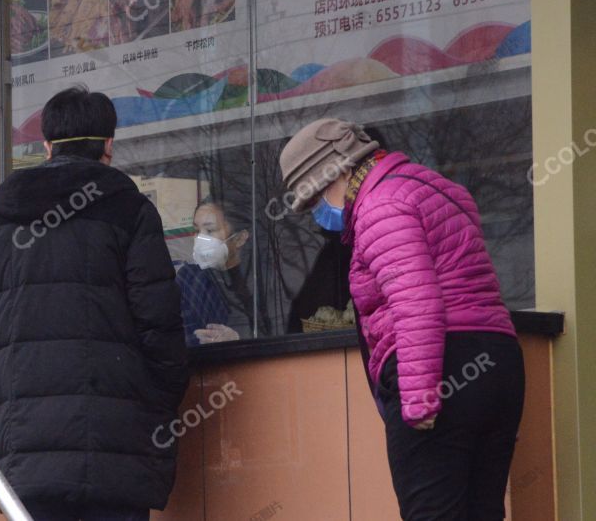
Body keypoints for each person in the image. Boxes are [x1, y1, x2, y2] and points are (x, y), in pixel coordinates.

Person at [279, 118, 525, 521]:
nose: (319, 210)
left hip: (442, 367)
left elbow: (415, 301)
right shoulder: (437, 188)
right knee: (483, 511)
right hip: (498, 363)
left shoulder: (380, 205)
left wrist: (419, 399)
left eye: (316, 195)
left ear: (336, 171)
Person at [0, 86, 189, 521]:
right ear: (108, 144)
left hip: (26, 455)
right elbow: (161, 328)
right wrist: (152, 412)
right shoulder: (130, 211)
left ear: (46, 145)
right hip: (117, 451)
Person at [176, 199, 266, 345]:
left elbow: (276, 329)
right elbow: (177, 334)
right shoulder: (189, 279)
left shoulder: (260, 279)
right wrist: (198, 340)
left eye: (210, 230)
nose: (200, 239)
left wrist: (239, 340)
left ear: (240, 238)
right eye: (197, 231)